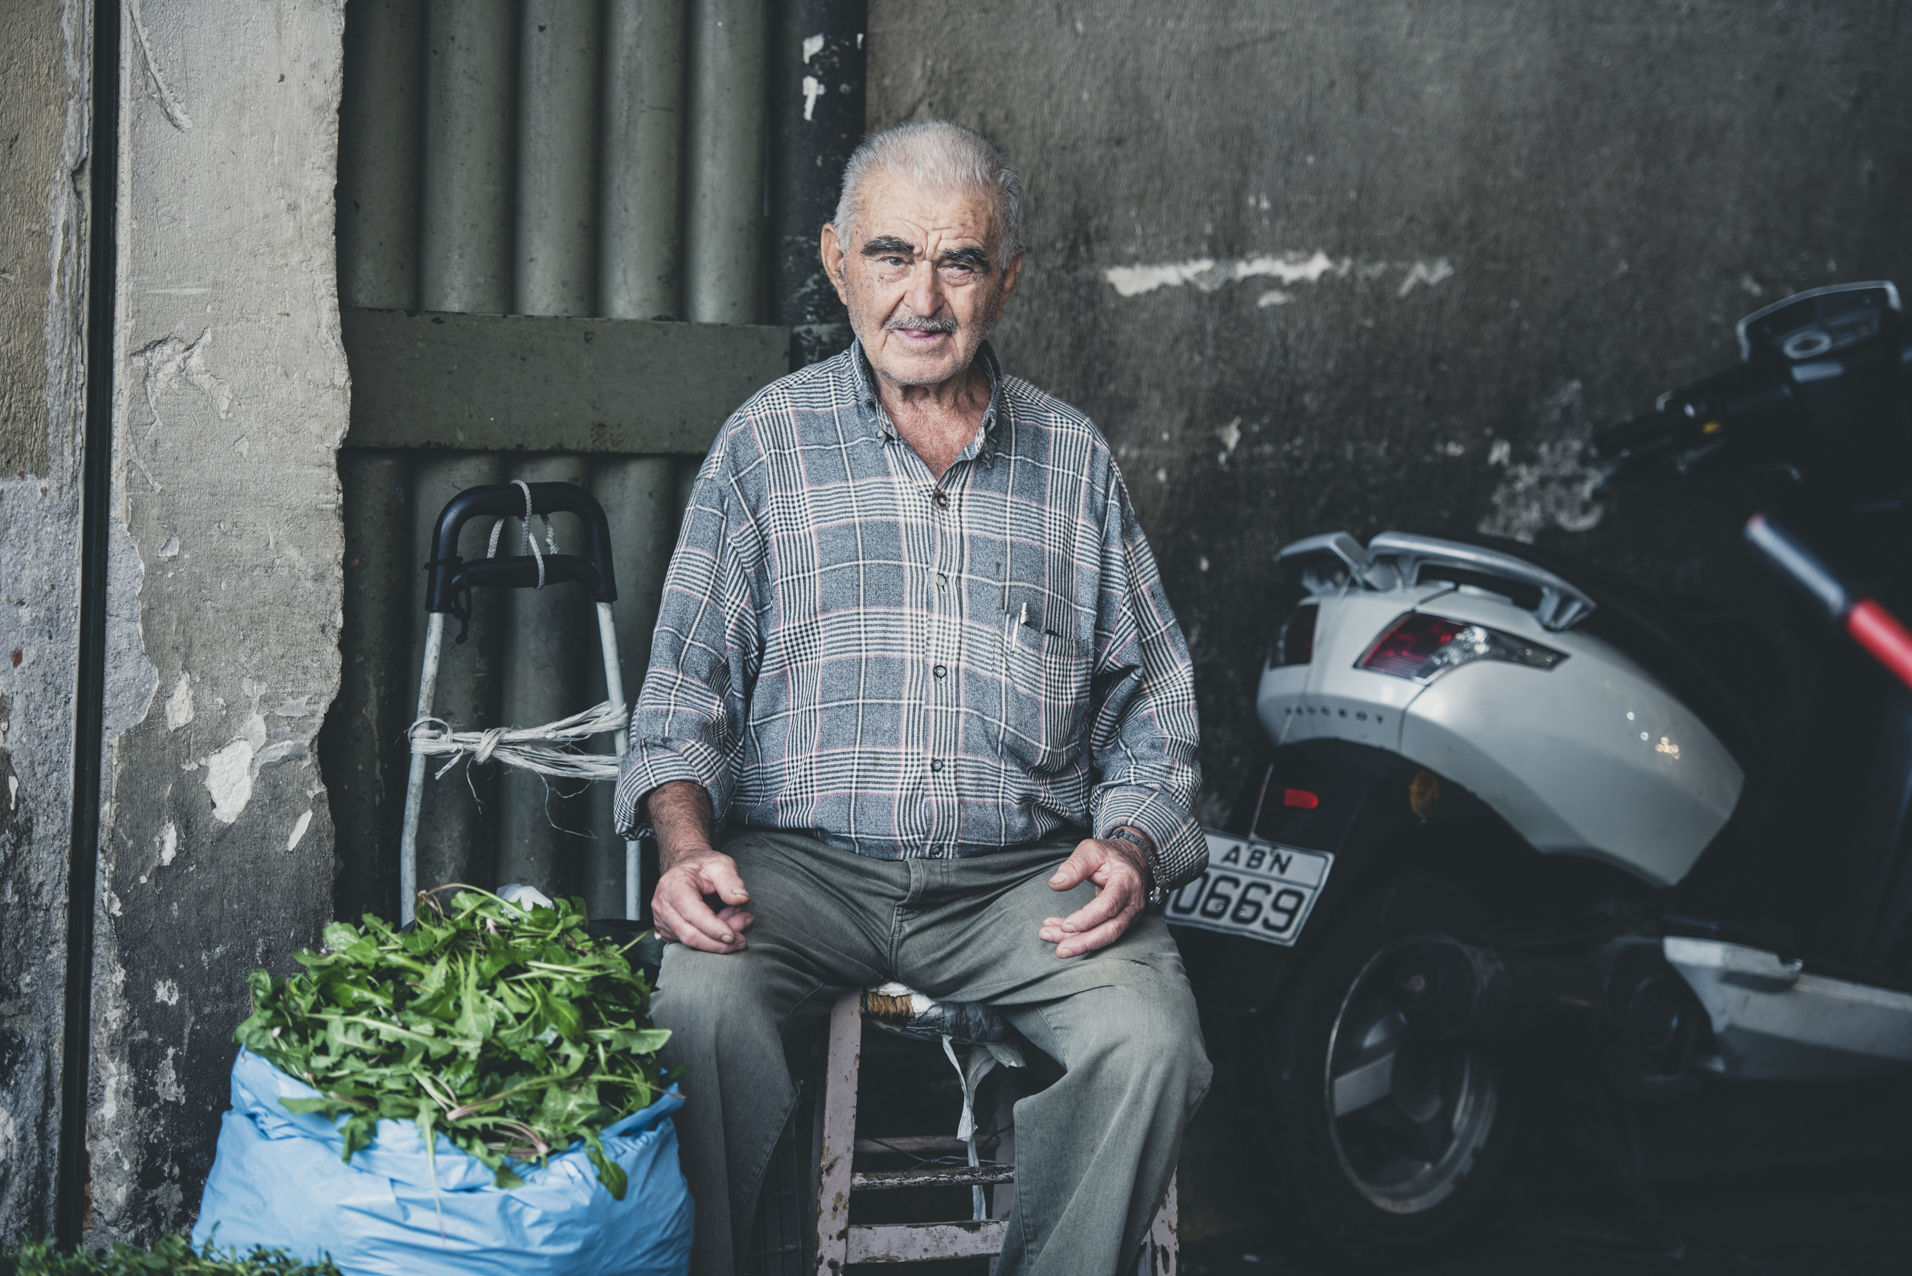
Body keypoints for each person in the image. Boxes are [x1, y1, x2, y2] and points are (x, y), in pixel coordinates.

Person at [615, 120, 1211, 1276]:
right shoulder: (765, 447)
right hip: (804, 869)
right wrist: (685, 846)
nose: (922, 297)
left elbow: (1157, 708)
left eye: (960, 262)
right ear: (839, 261)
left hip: (1016, 882)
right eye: (892, 256)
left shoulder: (1074, 461)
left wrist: (1133, 841)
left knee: (1153, 1041)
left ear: (1008, 278)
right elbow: (681, 694)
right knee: (702, 1007)